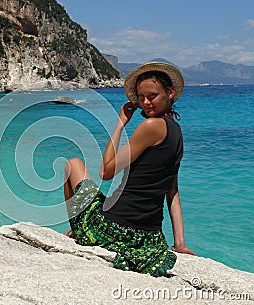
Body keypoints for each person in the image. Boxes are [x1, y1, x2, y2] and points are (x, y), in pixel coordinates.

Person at [63, 62, 196, 277]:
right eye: (141, 97)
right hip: (149, 237)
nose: (145, 103)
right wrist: (179, 243)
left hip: (114, 229)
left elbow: (106, 172)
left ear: (170, 93)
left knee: (72, 164)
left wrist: (120, 122)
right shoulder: (177, 133)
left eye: (152, 95)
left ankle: (80, 230)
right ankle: (79, 230)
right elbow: (172, 192)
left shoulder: (151, 126)